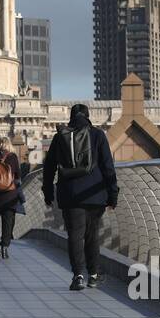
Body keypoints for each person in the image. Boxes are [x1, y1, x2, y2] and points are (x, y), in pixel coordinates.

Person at [42, 103, 119, 291]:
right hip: (94, 193)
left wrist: (48, 192)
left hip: (70, 194)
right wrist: (113, 194)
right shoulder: (98, 135)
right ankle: (93, 275)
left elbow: (49, 166)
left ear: (71, 117)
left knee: (75, 235)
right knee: (92, 236)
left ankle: (78, 276)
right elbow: (108, 167)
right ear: (88, 116)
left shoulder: (60, 137)